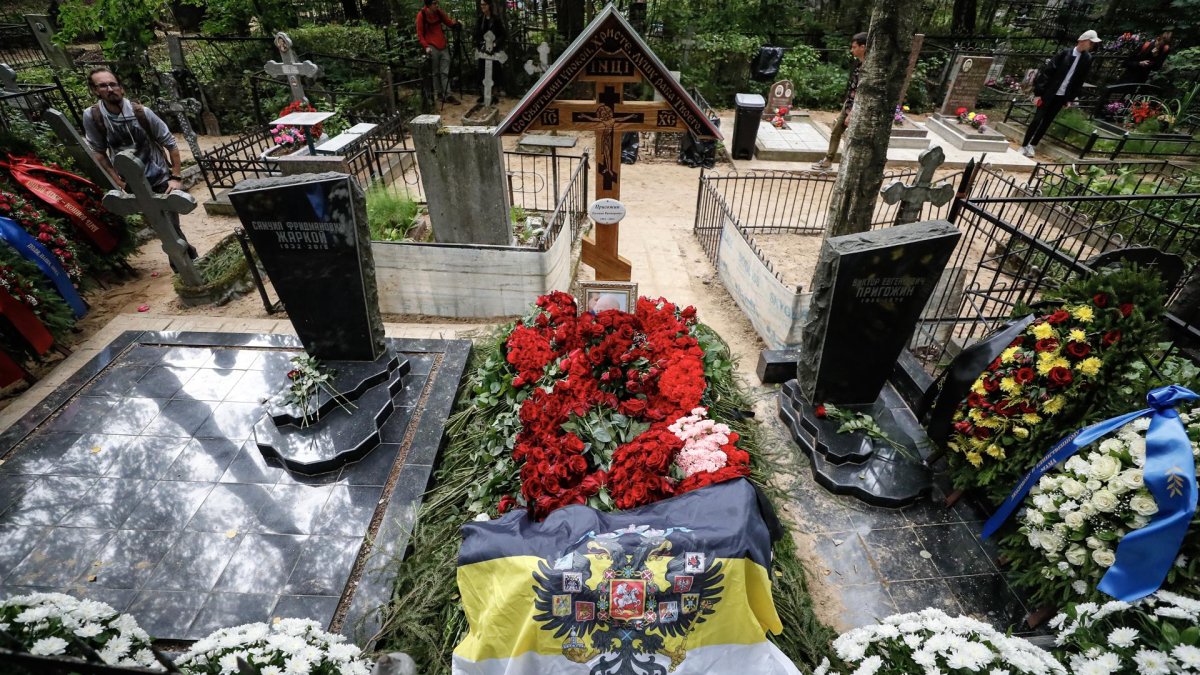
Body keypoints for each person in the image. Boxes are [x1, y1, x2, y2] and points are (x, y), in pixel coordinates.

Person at [81, 66, 196, 259]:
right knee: (158, 224)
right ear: (94, 90)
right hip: (132, 182)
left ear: (121, 87)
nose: (110, 89)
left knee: (170, 224)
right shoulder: (93, 117)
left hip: (159, 177)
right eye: (103, 86)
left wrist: (175, 177)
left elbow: (170, 144)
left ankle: (183, 261)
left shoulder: (142, 113)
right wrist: (118, 181)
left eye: (113, 84)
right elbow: (99, 153)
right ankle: (186, 258)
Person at [1019, 30, 1101, 158]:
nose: (1091, 46)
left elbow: (1079, 80)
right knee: (1037, 119)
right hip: (1048, 93)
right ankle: (1024, 145)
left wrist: (1070, 98)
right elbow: (1047, 72)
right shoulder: (1065, 53)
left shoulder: (1087, 59)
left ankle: (1033, 145)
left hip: (1062, 95)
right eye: (1091, 43)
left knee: (1047, 121)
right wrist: (1039, 92)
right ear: (1083, 41)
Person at [812, 32, 867, 171]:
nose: (851, 50)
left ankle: (852, 166)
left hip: (857, 108)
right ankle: (828, 160)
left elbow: (862, 93)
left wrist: (852, 113)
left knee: (854, 137)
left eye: (854, 47)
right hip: (849, 105)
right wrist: (846, 107)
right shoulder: (859, 63)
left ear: (863, 47)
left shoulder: (869, 68)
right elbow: (854, 89)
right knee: (836, 131)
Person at [417, 0, 461, 106]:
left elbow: (449, 22)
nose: (437, 5)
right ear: (428, 5)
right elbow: (420, 33)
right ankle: (440, 94)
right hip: (431, 46)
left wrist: (456, 24)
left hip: (443, 45)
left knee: (445, 71)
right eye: (434, 3)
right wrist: (426, 46)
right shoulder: (421, 15)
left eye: (437, 3)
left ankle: (448, 95)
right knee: (435, 72)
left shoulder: (439, 12)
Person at [474, 0, 507, 103]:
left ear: (489, 6)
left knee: (494, 74)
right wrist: (481, 44)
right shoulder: (480, 19)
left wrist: (495, 43)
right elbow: (477, 34)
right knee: (482, 73)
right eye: (481, 4)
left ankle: (493, 95)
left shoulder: (496, 19)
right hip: (483, 51)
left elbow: (502, 34)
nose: (482, 6)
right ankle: (485, 95)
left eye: (484, 4)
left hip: (493, 51)